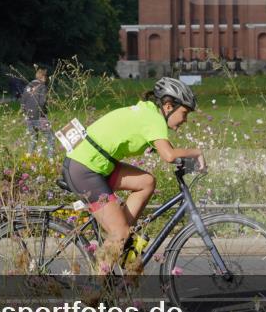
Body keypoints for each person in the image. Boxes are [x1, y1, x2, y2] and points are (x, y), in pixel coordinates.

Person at [62, 77, 205, 275]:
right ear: (168, 106)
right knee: (119, 232)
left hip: (98, 164)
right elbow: (169, 155)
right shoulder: (154, 119)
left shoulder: (150, 112)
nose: (185, 120)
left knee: (146, 182)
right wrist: (196, 152)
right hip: (84, 168)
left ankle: (120, 238)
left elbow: (163, 149)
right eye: (184, 113)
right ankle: (94, 295)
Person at [20, 68, 55, 158]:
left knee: (33, 138)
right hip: (40, 117)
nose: (47, 79)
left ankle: (28, 158)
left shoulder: (28, 86)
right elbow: (42, 103)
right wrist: (46, 109)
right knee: (51, 138)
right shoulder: (42, 86)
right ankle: (50, 160)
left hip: (29, 117)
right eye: (46, 77)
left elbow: (22, 103)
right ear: (43, 77)